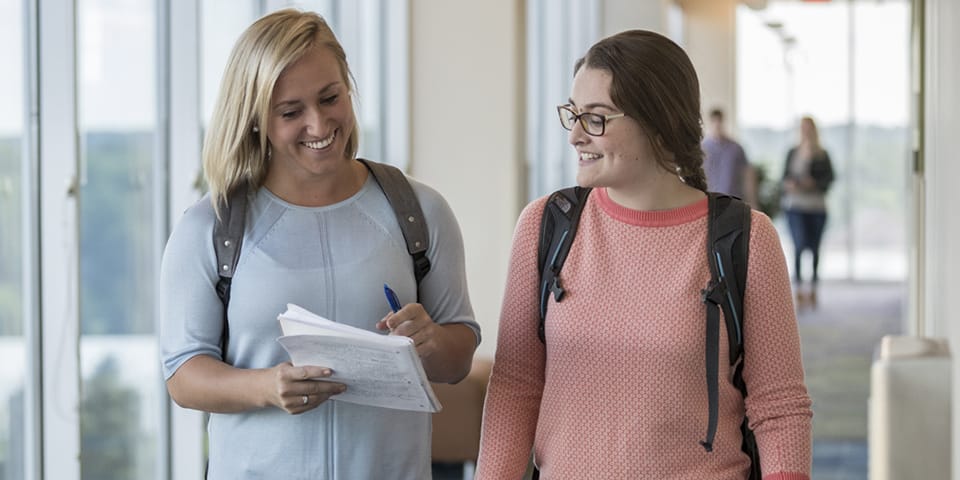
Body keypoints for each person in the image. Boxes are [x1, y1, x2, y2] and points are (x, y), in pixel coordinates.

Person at [476, 30, 812, 479]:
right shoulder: (545, 225)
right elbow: (516, 389)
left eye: (595, 118)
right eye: (573, 115)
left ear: (657, 122)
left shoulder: (746, 238)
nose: (575, 135)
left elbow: (779, 406)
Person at [158, 9, 480, 479]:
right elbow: (183, 375)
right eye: (291, 112)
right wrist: (267, 387)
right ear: (255, 119)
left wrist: (432, 341)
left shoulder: (420, 212)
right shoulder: (210, 226)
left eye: (331, 98)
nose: (319, 125)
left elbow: (458, 357)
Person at [780, 115, 835, 309]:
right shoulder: (792, 152)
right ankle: (799, 291)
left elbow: (829, 180)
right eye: (802, 127)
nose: (805, 131)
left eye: (808, 127)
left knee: (815, 249)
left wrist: (814, 184)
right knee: (798, 246)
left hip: (816, 207)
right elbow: (784, 178)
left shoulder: (822, 154)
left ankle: (813, 290)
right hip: (795, 206)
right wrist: (792, 184)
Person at [702, 107, 758, 207]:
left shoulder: (736, 148)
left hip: (733, 201)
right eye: (714, 121)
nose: (717, 124)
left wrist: (752, 202)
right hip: (709, 202)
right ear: (709, 122)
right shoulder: (702, 148)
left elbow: (747, 175)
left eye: (719, 121)